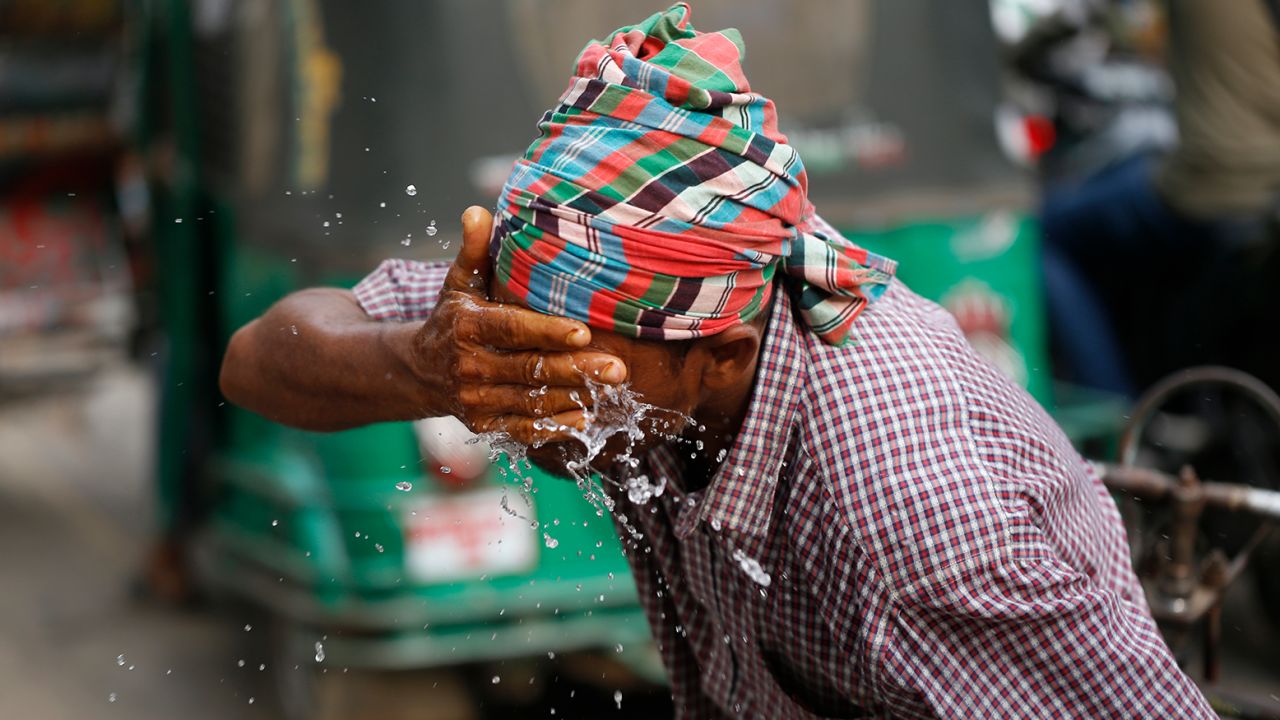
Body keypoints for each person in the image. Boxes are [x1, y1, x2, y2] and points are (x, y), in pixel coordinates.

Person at [220, 5, 1214, 717]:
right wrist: (424, 364)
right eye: (515, 340)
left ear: (717, 358)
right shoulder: (571, 311)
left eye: (577, 371)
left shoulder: (899, 505)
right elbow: (252, 362)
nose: (534, 392)